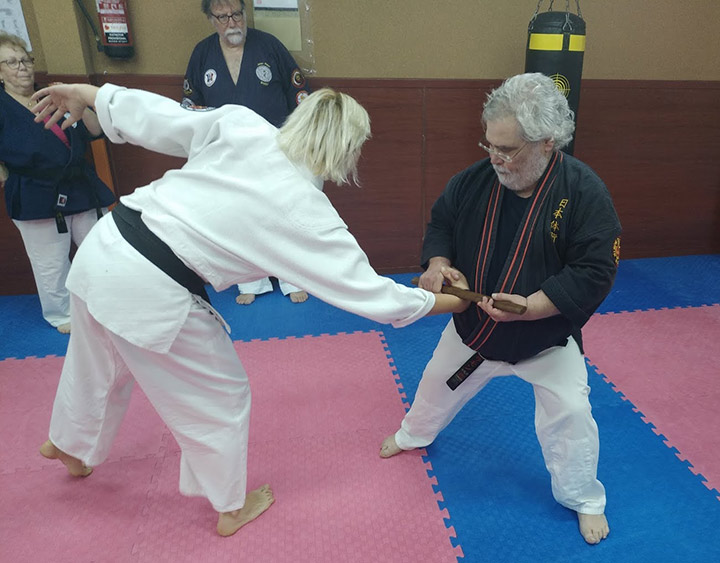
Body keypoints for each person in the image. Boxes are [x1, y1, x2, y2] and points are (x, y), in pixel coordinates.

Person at [30, 82, 472, 537]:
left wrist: (91, 94)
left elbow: (160, 118)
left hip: (104, 245)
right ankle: (230, 508)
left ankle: (68, 444)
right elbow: (375, 296)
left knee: (98, 359)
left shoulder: (242, 124)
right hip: (148, 284)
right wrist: (456, 303)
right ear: (348, 148)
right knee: (222, 393)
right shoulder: (308, 212)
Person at [379, 73, 622, 545]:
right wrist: (439, 264)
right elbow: (441, 224)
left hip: (545, 341)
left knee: (572, 415)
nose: (495, 158)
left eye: (507, 150)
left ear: (547, 142)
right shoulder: (473, 181)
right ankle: (413, 436)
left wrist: (531, 307)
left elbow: (594, 270)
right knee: (434, 387)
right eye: (489, 145)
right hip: (475, 334)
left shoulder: (584, 193)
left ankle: (583, 497)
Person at [184, 0, 312, 305]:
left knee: (282, 215)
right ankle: (251, 282)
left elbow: (299, 93)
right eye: (222, 17)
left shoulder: (270, 47)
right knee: (238, 218)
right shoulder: (202, 54)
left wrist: (300, 136)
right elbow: (190, 104)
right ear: (211, 19)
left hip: (274, 148)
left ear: (245, 13)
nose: (231, 22)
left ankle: (291, 278)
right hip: (226, 152)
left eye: (236, 14)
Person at [0, 33, 114, 333]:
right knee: (50, 262)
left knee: (102, 248)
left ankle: (107, 303)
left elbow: (95, 131)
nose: (22, 67)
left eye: (26, 60)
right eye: (12, 62)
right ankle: (61, 313)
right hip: (35, 192)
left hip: (80, 185)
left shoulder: (51, 94)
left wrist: (80, 103)